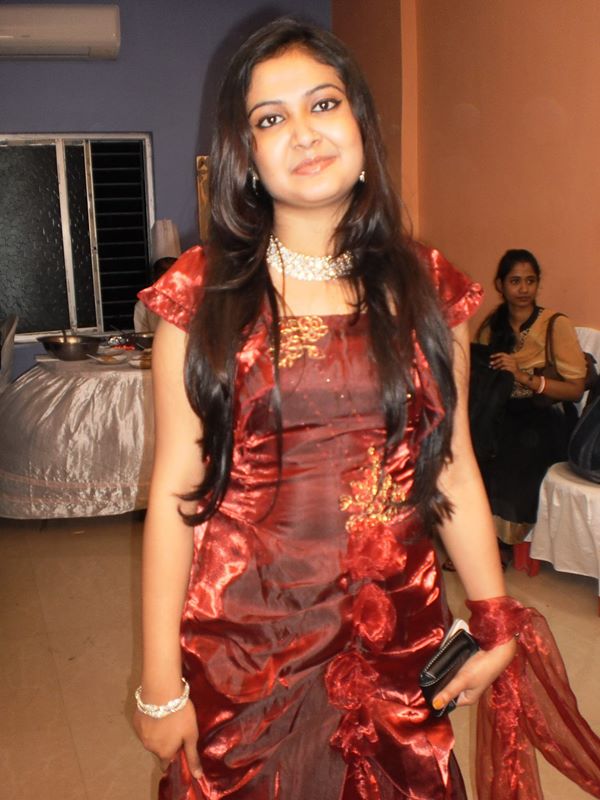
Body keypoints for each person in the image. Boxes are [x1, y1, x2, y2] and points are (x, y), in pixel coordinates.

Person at [133, 20, 600, 800]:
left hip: (399, 640)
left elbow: (452, 465)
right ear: (246, 153)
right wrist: (159, 685)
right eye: (271, 118)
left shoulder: (428, 286)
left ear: (360, 123)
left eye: (324, 103)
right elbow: (177, 495)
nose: (304, 132)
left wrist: (493, 613)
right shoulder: (202, 292)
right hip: (249, 651)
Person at [473, 249, 586, 563]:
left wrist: (524, 377)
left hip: (545, 414)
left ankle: (499, 543)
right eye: (515, 281)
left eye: (530, 281)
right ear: (500, 285)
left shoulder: (555, 324)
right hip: (501, 411)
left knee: (513, 454)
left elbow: (575, 389)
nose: (523, 289)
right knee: (474, 449)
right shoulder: (491, 328)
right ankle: (475, 537)